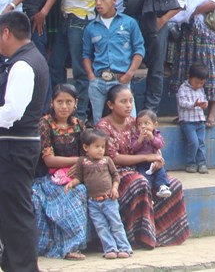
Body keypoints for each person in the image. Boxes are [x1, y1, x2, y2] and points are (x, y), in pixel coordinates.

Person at [94, 85, 189, 248]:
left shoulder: (136, 122)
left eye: (130, 101)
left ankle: (162, 234)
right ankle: (138, 237)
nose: (129, 105)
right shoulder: (103, 127)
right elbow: (113, 157)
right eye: (123, 101)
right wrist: (145, 157)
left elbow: (154, 142)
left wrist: (157, 158)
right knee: (140, 183)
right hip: (116, 172)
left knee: (173, 184)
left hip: (142, 168)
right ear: (110, 105)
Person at [0, 11, 49, 271]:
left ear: (6, 32)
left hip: (14, 146)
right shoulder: (31, 58)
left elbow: (12, 112)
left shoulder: (22, 64)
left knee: (17, 212)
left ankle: (24, 268)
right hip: (17, 145)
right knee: (11, 210)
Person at [32, 84, 88, 261]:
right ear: (52, 103)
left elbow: (88, 154)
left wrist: (79, 166)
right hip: (48, 177)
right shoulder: (45, 124)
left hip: (75, 176)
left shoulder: (79, 125)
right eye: (60, 102)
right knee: (66, 195)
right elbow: (49, 159)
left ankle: (74, 246)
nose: (64, 106)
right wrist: (77, 160)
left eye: (68, 102)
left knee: (80, 191)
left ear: (76, 103)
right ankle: (58, 246)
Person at [82, 0, 146, 124]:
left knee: (130, 123)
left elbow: (139, 50)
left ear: (114, 0)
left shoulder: (129, 23)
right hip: (98, 81)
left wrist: (130, 73)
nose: (98, 3)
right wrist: (91, 76)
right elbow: (86, 55)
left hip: (121, 79)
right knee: (100, 124)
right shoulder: (90, 27)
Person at [68, 129, 132, 259]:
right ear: (86, 147)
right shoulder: (82, 161)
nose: (100, 150)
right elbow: (79, 178)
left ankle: (124, 247)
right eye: (97, 147)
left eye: (103, 147)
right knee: (101, 226)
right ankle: (110, 249)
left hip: (109, 199)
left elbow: (116, 176)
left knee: (116, 223)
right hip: (93, 202)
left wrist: (114, 188)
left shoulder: (107, 160)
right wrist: (71, 184)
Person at [177, 63, 208, 173]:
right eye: (196, 82)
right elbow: (182, 103)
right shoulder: (183, 89)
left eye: (202, 83)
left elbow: (204, 100)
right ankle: (190, 163)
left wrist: (204, 105)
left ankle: (202, 163)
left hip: (200, 120)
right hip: (188, 122)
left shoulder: (201, 89)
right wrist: (193, 104)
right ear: (189, 77)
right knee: (193, 142)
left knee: (201, 142)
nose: (199, 85)